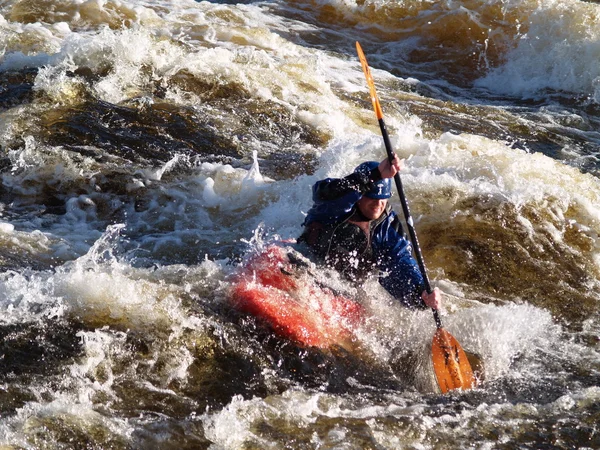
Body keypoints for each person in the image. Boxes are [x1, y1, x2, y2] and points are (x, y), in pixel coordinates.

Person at [298, 154, 441, 310]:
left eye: (383, 198)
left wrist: (420, 292)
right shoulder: (333, 206)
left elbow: (399, 262)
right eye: (372, 197)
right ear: (360, 194)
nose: (378, 205)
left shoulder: (386, 225)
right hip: (306, 264)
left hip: (342, 289)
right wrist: (375, 175)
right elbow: (324, 192)